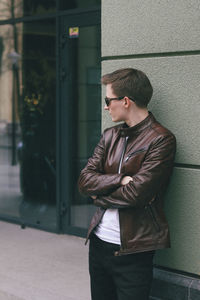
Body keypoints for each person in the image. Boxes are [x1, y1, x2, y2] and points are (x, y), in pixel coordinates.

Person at [78, 68, 176, 300]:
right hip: (99, 243)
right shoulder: (109, 136)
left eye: (107, 100)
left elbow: (137, 194)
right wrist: (119, 179)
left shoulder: (161, 139)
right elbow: (84, 180)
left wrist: (98, 196)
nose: (105, 107)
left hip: (133, 249)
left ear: (125, 101)